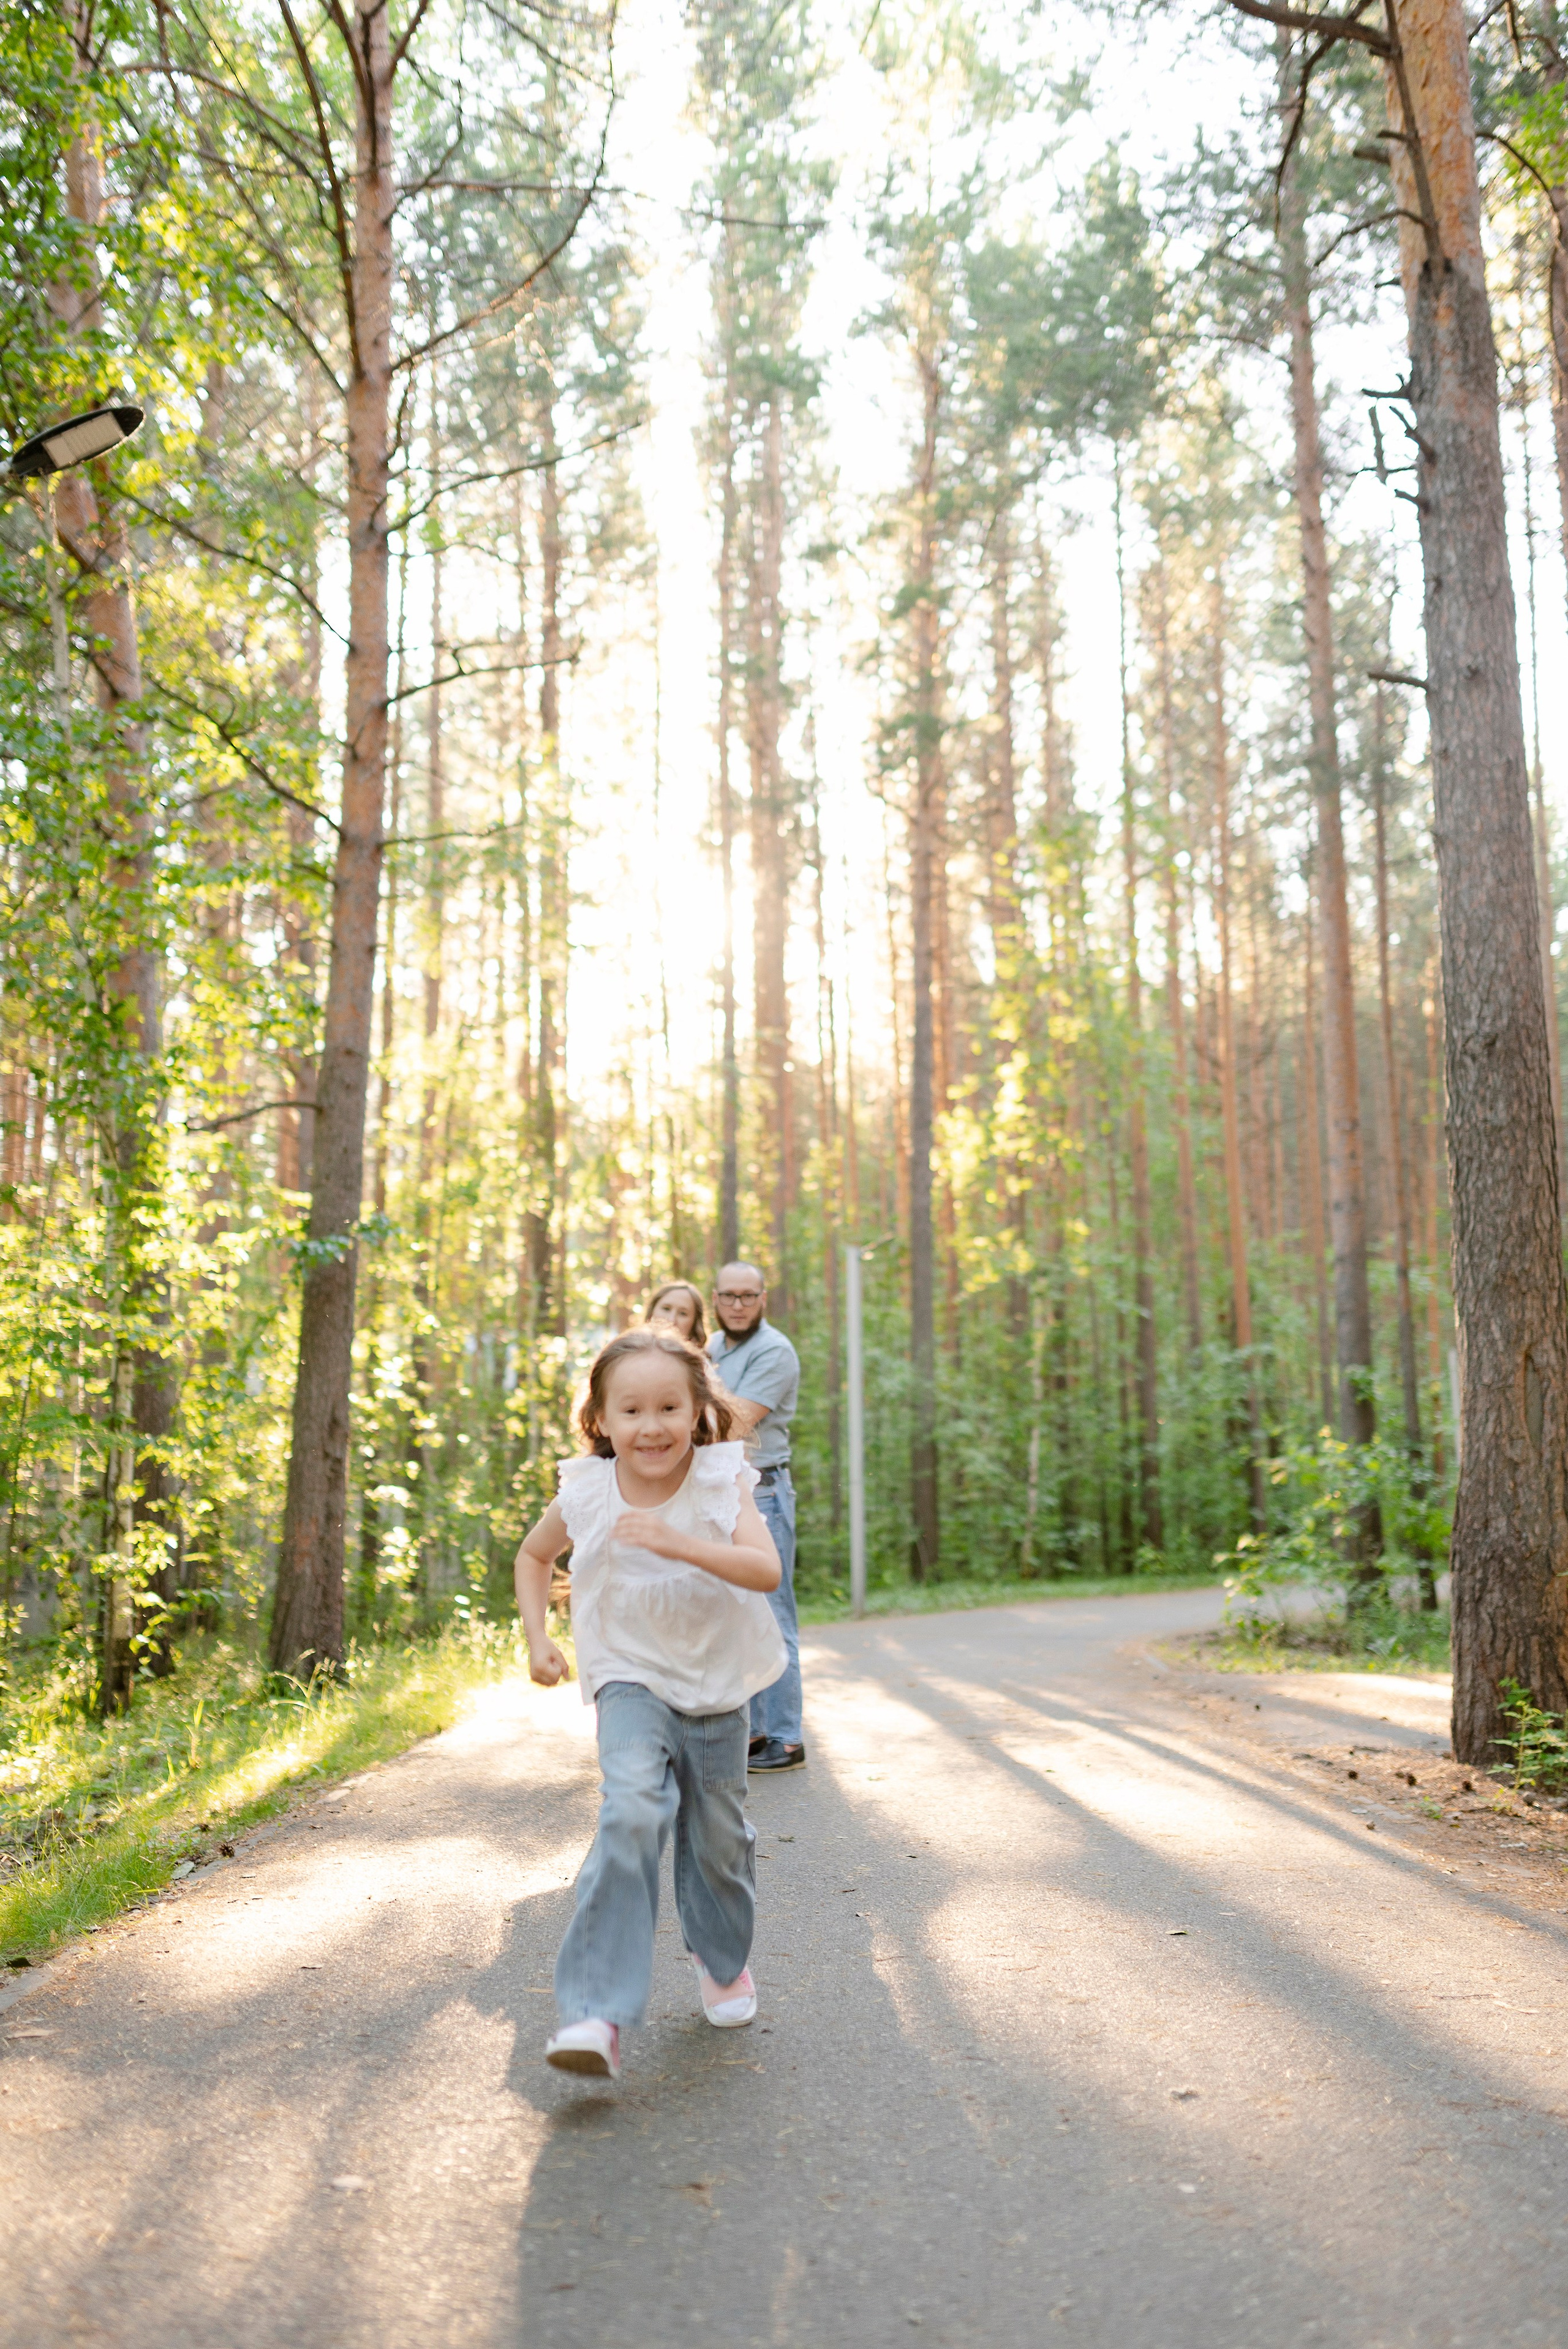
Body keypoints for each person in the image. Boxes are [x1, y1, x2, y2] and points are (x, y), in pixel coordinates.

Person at [514, 1326, 785, 2083]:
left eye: (669, 1406)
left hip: (717, 1683)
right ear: (600, 1419)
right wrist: (538, 1639)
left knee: (717, 1836)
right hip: (628, 1676)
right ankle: (594, 2012)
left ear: (698, 1408)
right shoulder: (588, 1489)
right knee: (631, 1809)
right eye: (631, 1410)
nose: (652, 1425)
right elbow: (535, 1556)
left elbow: (763, 1568)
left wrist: (679, 1543)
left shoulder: (717, 1480)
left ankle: (721, 1958)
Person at [706, 1261, 804, 1773]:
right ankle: (758, 1729)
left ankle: (787, 1738)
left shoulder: (774, 1350)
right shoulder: (715, 1349)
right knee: (740, 1615)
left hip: (763, 1492)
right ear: (716, 1299)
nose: (738, 1305)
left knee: (774, 1612)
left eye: (748, 1296)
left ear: (763, 1298)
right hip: (726, 1492)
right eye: (729, 1296)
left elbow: (734, 1421)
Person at [645, 1279, 707, 1348]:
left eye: (683, 1314)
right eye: (666, 1309)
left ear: (695, 1325)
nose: (671, 1320)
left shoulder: (701, 1359)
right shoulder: (632, 1353)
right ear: (651, 1313)